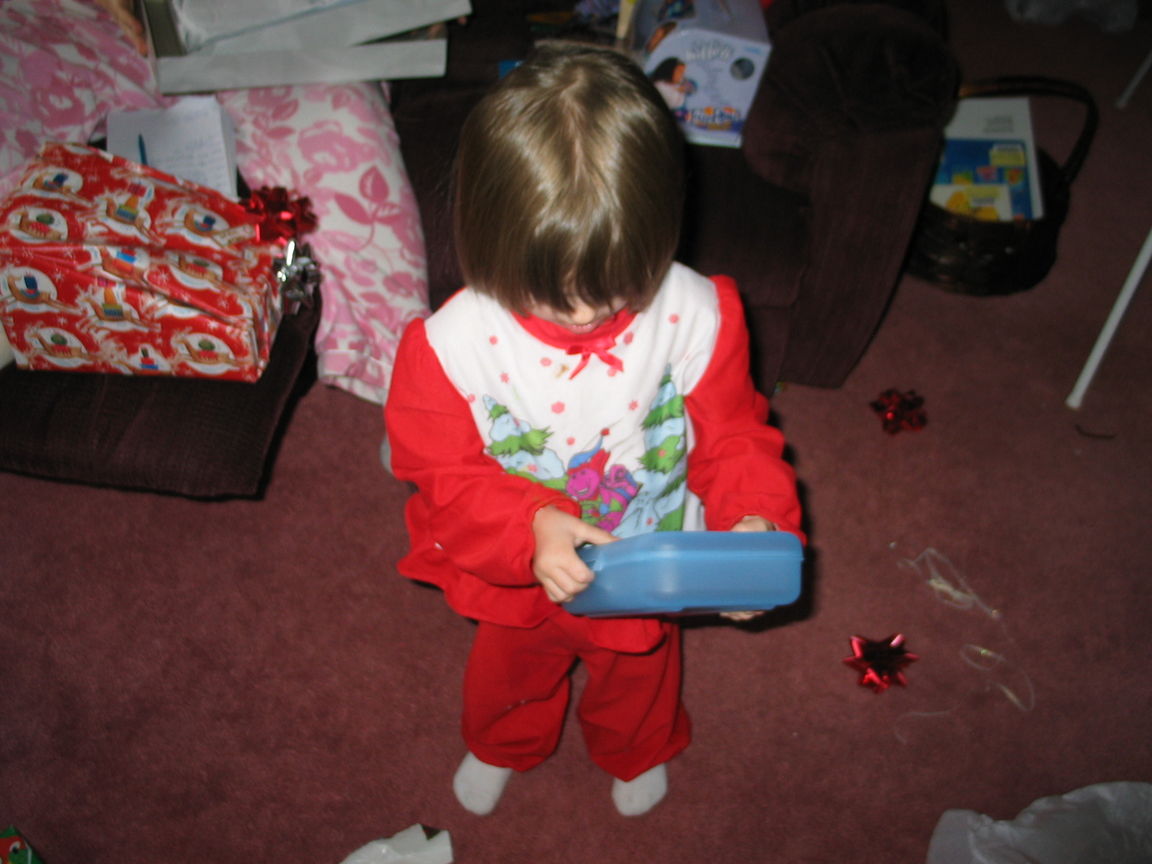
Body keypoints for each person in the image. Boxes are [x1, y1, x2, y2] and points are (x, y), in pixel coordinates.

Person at [383, 42, 802, 818]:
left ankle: (636, 747)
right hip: (520, 565)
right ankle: (504, 743)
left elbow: (736, 434)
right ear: (484, 237)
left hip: (648, 554)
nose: (582, 315)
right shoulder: (449, 347)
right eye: (551, 293)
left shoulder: (697, 313)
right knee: (510, 671)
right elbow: (442, 477)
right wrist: (531, 526)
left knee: (641, 672)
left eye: (612, 289)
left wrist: (753, 524)